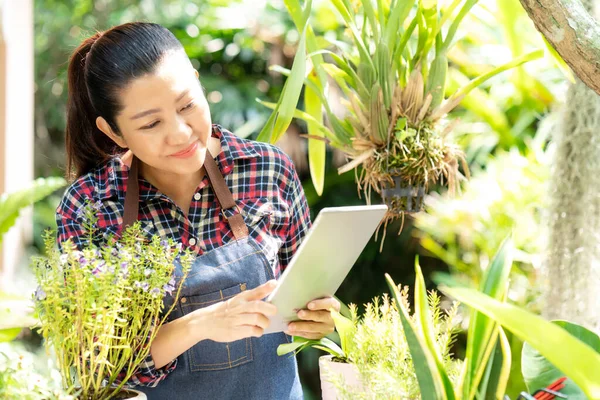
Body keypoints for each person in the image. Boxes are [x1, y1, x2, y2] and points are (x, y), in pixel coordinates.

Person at [55, 22, 340, 399]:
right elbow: (94, 362)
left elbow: (302, 301)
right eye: (152, 123)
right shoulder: (89, 206)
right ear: (115, 133)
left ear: (197, 81)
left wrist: (319, 318)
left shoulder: (268, 171)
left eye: (187, 105)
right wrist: (201, 324)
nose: (181, 132)